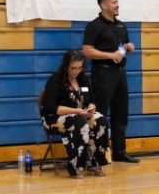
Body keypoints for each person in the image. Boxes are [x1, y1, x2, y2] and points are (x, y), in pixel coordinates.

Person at [82, 0, 140, 163]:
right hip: (103, 73)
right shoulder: (94, 26)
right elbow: (87, 51)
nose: (117, 5)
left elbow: (122, 47)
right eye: (114, 2)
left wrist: (129, 47)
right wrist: (110, 55)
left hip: (120, 73)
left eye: (117, 1)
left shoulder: (121, 25)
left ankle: (119, 152)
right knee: (99, 114)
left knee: (121, 113)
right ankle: (97, 154)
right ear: (104, 5)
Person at [41, 50, 110, 178]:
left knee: (102, 121)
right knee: (80, 122)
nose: (77, 71)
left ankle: (96, 163)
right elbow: (51, 108)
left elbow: (92, 101)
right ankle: (77, 167)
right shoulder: (55, 80)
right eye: (73, 68)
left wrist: (91, 108)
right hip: (55, 118)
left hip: (80, 115)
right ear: (66, 66)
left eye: (80, 68)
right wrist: (76, 111)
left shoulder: (83, 79)